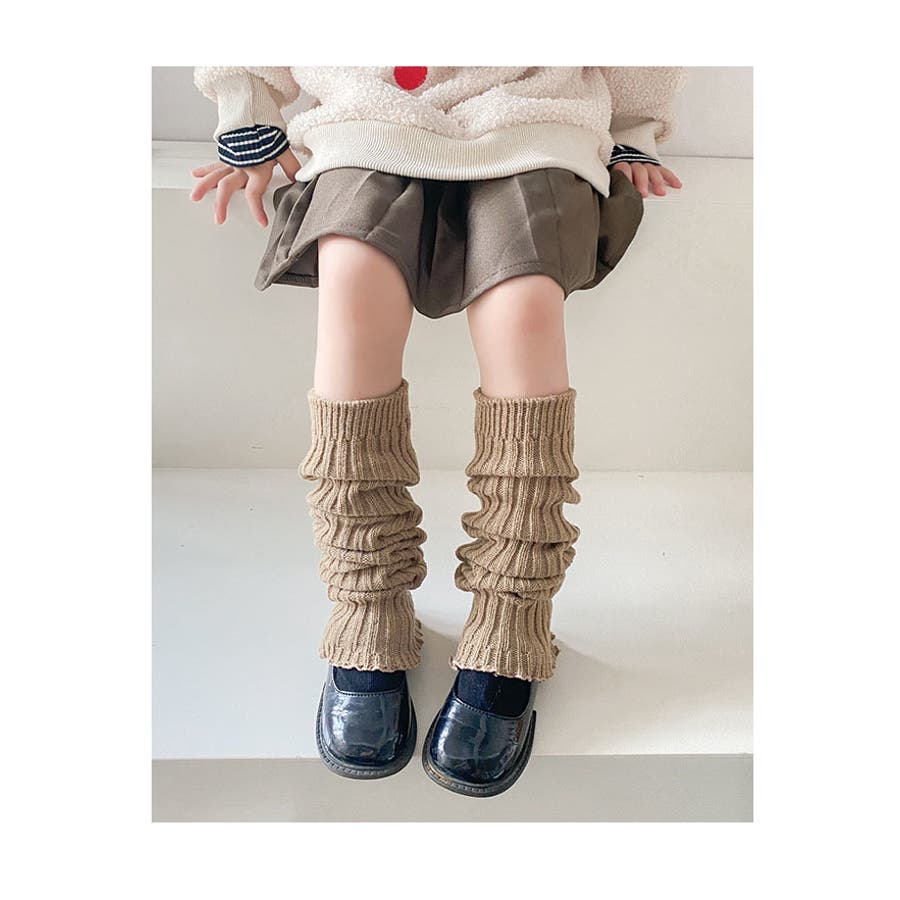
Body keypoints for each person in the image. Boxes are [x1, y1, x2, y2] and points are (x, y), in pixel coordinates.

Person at [191, 66, 685, 797]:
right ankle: (367, 603)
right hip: (367, 119)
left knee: (524, 306)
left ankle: (512, 615)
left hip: (531, 119)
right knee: (352, 286)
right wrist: (246, 113)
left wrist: (632, 130)